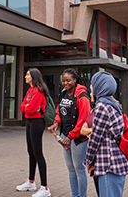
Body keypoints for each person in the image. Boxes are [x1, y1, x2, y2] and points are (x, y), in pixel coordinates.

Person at [83, 72, 128, 197]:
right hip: (117, 161)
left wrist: (88, 161)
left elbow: (95, 139)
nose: (91, 87)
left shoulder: (102, 107)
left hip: (109, 165)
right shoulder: (113, 104)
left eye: (93, 84)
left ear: (100, 86)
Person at [47, 69, 91, 197]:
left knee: (79, 169)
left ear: (75, 80)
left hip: (78, 138)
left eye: (68, 80)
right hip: (65, 136)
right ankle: (75, 195)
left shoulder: (82, 96)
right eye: (63, 81)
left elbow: (83, 119)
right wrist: (56, 123)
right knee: (71, 169)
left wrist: (71, 136)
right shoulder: (63, 94)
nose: (65, 83)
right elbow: (59, 112)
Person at [16, 68, 51, 197]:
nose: (25, 77)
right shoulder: (30, 90)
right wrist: (26, 106)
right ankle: (31, 182)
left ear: (33, 77)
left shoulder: (38, 90)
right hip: (29, 122)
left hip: (37, 122)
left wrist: (27, 106)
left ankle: (45, 188)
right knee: (30, 152)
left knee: (38, 153)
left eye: (27, 75)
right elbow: (22, 106)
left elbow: (29, 108)